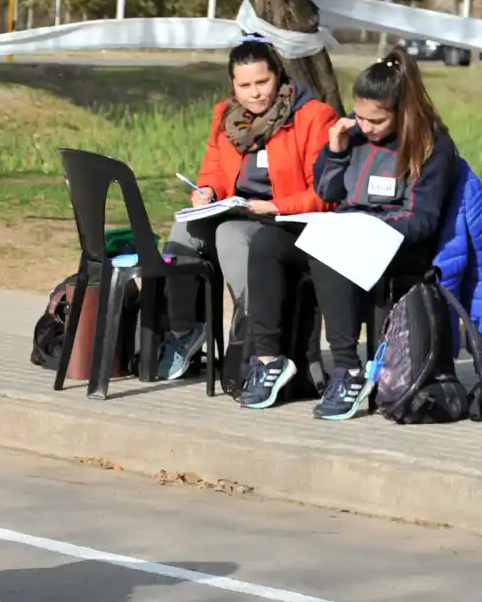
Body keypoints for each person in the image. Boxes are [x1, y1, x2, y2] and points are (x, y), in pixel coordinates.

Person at [241, 47, 459, 419]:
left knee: (331, 248)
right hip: (346, 230)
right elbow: (327, 194)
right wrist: (337, 150)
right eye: (358, 115)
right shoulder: (353, 135)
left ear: (401, 112)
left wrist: (365, 227)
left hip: (397, 242)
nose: (365, 126)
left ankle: (348, 369)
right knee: (268, 243)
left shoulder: (430, 146)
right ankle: (268, 357)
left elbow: (422, 221)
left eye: (375, 120)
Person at [157, 36, 338, 380]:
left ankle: (255, 333)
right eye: (245, 85)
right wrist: (207, 190)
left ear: (279, 76)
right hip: (239, 210)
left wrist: (273, 205)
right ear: (233, 86)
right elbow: (213, 165)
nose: (255, 93)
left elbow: (325, 193)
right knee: (185, 228)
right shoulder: (226, 116)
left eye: (262, 82)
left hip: (287, 219)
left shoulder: (314, 116)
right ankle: (184, 332)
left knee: (229, 234)